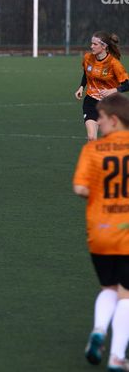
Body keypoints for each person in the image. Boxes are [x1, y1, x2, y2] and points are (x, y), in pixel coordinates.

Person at [73, 93, 129, 370]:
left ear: (115, 120)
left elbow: (80, 188)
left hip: (100, 231)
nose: (99, 122)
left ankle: (98, 330)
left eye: (103, 118)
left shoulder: (93, 150)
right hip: (127, 232)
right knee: (127, 295)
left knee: (108, 287)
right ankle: (117, 357)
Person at [75, 31, 129, 141]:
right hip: (91, 102)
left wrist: (114, 90)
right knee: (91, 137)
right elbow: (87, 73)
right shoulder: (87, 58)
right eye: (91, 43)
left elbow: (127, 84)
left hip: (110, 104)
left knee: (113, 138)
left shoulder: (114, 64)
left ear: (104, 46)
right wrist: (81, 87)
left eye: (95, 44)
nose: (91, 46)